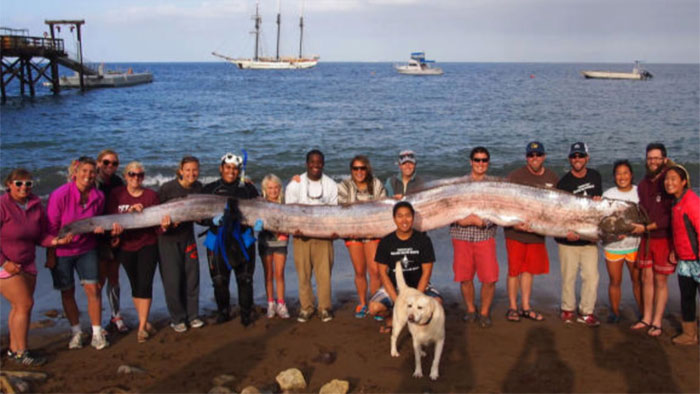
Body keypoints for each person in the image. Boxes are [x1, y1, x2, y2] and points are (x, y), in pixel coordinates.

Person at [1, 169, 72, 365]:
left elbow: (41, 236)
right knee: (25, 304)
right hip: (5, 264)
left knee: (19, 307)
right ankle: (23, 353)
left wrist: (57, 242)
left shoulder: (35, 205)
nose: (24, 187)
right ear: (9, 185)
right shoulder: (2, 205)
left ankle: (14, 350)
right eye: (19, 183)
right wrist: (4, 262)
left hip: (27, 263)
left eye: (28, 184)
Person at [47, 156, 116, 350]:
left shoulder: (99, 196)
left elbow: (97, 221)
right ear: (75, 173)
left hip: (87, 248)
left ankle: (96, 333)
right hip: (62, 250)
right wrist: (52, 252)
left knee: (93, 289)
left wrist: (100, 229)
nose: (88, 176)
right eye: (84, 171)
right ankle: (76, 332)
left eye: (92, 172)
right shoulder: (60, 195)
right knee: (67, 291)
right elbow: (51, 227)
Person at [202, 153, 259, 326]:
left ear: (239, 171)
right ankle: (223, 312)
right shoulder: (209, 189)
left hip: (243, 239)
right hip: (217, 240)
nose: (231, 171)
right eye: (227, 168)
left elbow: (259, 211)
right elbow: (197, 215)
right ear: (221, 168)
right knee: (219, 280)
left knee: (245, 279)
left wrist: (258, 224)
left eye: (235, 169)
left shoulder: (248, 189)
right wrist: (209, 221)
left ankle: (246, 314)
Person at [503, 141, 558, 322]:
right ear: (527, 157)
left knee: (529, 271)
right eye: (531, 155)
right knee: (514, 271)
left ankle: (526, 306)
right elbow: (503, 203)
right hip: (515, 232)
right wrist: (514, 224)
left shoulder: (552, 177)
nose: (535, 158)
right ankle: (512, 307)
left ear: (544, 156)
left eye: (538, 155)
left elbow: (558, 208)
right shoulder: (515, 176)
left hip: (537, 233)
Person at [368, 201, 442, 333]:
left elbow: (426, 273)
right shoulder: (386, 242)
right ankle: (391, 318)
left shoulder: (423, 240)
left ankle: (419, 323)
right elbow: (383, 274)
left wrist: (417, 298)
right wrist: (398, 302)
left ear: (413, 218)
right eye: (400, 216)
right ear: (394, 218)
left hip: (419, 286)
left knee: (437, 304)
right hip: (395, 287)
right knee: (374, 307)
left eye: (408, 216)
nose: (404, 220)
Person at [106, 162, 160, 343]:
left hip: (147, 244)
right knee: (135, 284)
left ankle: (142, 326)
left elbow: (157, 226)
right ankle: (145, 322)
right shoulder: (116, 195)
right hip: (125, 246)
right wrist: (127, 214)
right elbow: (110, 218)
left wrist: (166, 225)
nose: (136, 178)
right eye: (132, 174)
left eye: (140, 175)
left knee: (145, 283)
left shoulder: (151, 196)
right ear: (126, 176)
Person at [285, 149, 338, 322]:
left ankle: (325, 307)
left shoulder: (331, 184)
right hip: (301, 236)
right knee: (304, 274)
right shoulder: (295, 184)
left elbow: (334, 212)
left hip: (324, 236)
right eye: (312, 162)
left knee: (324, 274)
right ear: (307, 164)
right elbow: (289, 210)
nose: (316, 165)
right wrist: (295, 228)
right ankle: (306, 306)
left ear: (323, 164)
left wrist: (332, 231)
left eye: (319, 162)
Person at [555, 142, 603, 327]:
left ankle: (586, 312)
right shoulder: (564, 182)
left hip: (589, 239)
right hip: (568, 239)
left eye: (580, 156)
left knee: (591, 277)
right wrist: (566, 233)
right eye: (574, 156)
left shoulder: (595, 176)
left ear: (587, 158)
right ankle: (567, 309)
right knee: (568, 277)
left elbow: (596, 208)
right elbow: (559, 213)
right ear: (569, 159)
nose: (577, 159)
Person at [450, 147, 499, 328]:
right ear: (471, 162)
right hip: (461, 235)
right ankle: (471, 309)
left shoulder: (495, 185)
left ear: (488, 162)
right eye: (477, 160)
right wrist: (460, 220)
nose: (480, 163)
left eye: (484, 160)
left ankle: (484, 312)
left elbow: (500, 209)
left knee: (489, 278)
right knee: (464, 277)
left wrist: (483, 222)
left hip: (485, 236)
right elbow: (447, 206)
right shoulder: (458, 184)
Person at [629, 143, 674, 337]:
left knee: (660, 280)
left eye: (656, 158)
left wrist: (646, 227)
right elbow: (642, 212)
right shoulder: (644, 184)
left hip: (663, 238)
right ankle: (646, 317)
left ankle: (657, 321)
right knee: (646, 278)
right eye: (650, 158)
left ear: (664, 159)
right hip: (646, 239)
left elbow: (669, 217)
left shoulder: (669, 181)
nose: (653, 161)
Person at [158, 156, 204, 333]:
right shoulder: (167, 189)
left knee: (192, 277)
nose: (192, 173)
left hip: (188, 237)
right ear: (181, 171)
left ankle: (192, 316)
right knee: (173, 280)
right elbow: (155, 215)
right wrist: (164, 225)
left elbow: (208, 205)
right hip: (168, 239)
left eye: (195, 170)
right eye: (188, 170)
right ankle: (177, 318)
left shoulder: (198, 188)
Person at [337, 155, 387, 318]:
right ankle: (362, 303)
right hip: (353, 233)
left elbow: (383, 208)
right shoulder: (344, 185)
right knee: (359, 271)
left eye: (362, 168)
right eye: (355, 168)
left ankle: (375, 303)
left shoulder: (377, 184)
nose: (359, 172)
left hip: (372, 232)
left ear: (367, 169)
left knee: (375, 271)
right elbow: (342, 209)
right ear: (351, 170)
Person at [602, 160, 642, 323]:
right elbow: (603, 221)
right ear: (614, 176)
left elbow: (645, 218)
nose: (622, 176)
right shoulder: (608, 194)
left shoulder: (640, 192)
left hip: (635, 246)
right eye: (618, 173)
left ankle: (643, 312)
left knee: (637, 281)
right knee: (615, 281)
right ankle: (615, 312)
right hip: (613, 246)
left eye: (625, 173)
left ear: (631, 175)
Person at [664, 165, 699, 345]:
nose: (669, 182)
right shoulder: (675, 202)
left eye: (673, 179)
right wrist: (674, 251)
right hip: (685, 260)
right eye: (667, 179)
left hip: (698, 259)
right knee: (687, 297)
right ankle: (689, 334)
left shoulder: (691, 202)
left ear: (683, 182)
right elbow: (679, 232)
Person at [95, 149, 128, 333]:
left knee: (114, 276)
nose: (110, 166)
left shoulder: (117, 182)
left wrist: (116, 235)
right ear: (99, 163)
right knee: (99, 278)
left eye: (114, 163)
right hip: (96, 235)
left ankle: (116, 315)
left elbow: (121, 208)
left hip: (114, 232)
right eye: (106, 162)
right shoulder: (93, 182)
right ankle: (97, 321)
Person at [259, 174, 290, 319]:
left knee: (279, 274)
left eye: (276, 187)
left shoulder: (285, 203)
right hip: (264, 242)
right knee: (268, 274)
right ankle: (270, 303)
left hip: (281, 241)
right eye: (270, 188)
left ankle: (281, 303)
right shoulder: (260, 202)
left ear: (280, 188)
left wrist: (296, 179)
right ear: (265, 189)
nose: (273, 190)